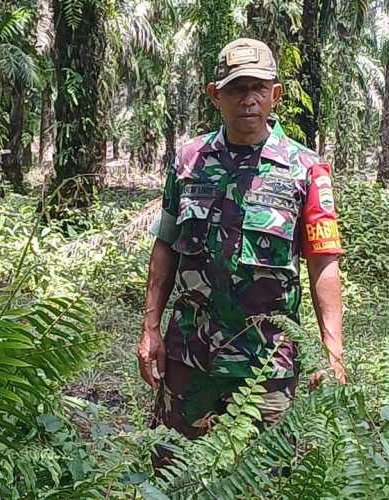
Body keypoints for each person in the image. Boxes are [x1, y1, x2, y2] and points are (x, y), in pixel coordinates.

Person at [138, 38, 345, 449]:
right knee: (173, 470)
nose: (248, 99)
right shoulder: (189, 161)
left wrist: (332, 351)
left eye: (258, 88)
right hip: (190, 354)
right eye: (236, 89)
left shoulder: (306, 169)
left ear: (275, 94)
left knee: (264, 475)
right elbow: (166, 246)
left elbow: (323, 263)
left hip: (268, 361)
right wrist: (150, 329)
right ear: (216, 95)